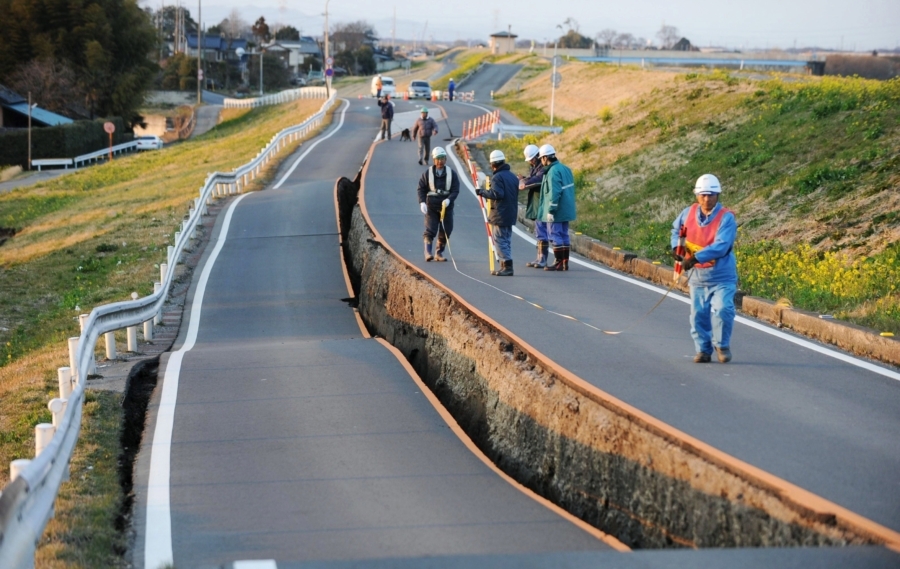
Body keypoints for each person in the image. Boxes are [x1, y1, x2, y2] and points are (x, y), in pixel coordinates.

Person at [670, 174, 738, 364]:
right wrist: (677, 247)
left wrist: (696, 258)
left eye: (711, 195)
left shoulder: (726, 218)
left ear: (718, 195)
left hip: (722, 276)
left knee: (723, 309)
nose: (707, 199)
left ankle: (722, 345)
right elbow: (676, 231)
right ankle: (703, 350)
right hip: (698, 278)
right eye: (703, 195)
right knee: (698, 315)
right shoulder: (687, 213)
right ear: (697, 195)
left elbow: (722, 245)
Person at [476, 150, 520, 276]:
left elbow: (497, 194)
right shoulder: (512, 176)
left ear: (492, 164)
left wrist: (482, 192)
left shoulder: (497, 177)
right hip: (510, 213)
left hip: (501, 214)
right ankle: (504, 265)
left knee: (500, 240)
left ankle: (506, 265)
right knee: (506, 239)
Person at [537, 144, 576, 272]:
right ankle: (565, 262)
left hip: (557, 210)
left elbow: (554, 192)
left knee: (555, 235)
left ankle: (558, 262)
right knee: (564, 235)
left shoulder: (552, 172)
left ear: (545, 158)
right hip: (566, 208)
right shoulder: (565, 169)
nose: (541, 162)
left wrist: (551, 210)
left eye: (541, 158)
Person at [417, 147, 460, 262]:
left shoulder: (452, 174)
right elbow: (421, 189)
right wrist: (422, 202)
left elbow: (455, 190)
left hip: (446, 207)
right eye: (437, 159)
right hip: (432, 206)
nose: (440, 161)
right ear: (434, 160)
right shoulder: (427, 173)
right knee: (430, 229)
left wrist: (449, 200)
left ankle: (439, 253)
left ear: (445, 159)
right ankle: (428, 252)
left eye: (442, 158)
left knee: (446, 230)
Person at [518, 144, 548, 268]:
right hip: (537, 203)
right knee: (539, 230)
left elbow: (537, 179)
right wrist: (524, 179)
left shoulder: (543, 168)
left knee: (542, 231)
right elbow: (532, 177)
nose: (530, 161)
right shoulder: (535, 166)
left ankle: (542, 259)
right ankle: (539, 257)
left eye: (532, 159)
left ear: (537, 156)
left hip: (542, 203)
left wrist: (524, 182)